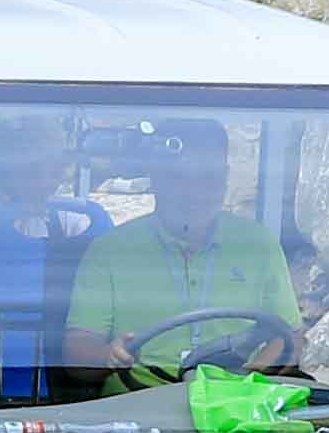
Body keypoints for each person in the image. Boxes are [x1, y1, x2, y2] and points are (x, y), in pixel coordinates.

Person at [59, 116, 301, 383]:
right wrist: (108, 355)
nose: (194, 193)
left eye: (208, 178)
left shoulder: (258, 245)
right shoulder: (109, 250)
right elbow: (77, 351)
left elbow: (289, 337)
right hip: (137, 406)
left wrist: (249, 381)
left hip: (235, 413)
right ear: (156, 177)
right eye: (179, 178)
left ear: (225, 180)